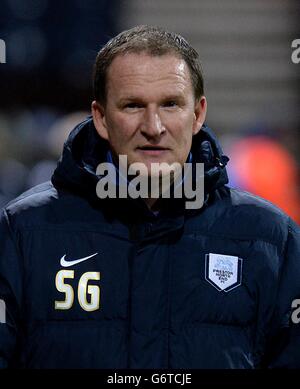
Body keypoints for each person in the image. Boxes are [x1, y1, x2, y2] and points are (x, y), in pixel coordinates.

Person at [0, 25, 299, 369]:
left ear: (198, 114)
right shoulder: (23, 231)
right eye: (132, 106)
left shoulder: (272, 240)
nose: (153, 127)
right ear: (100, 117)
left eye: (171, 104)